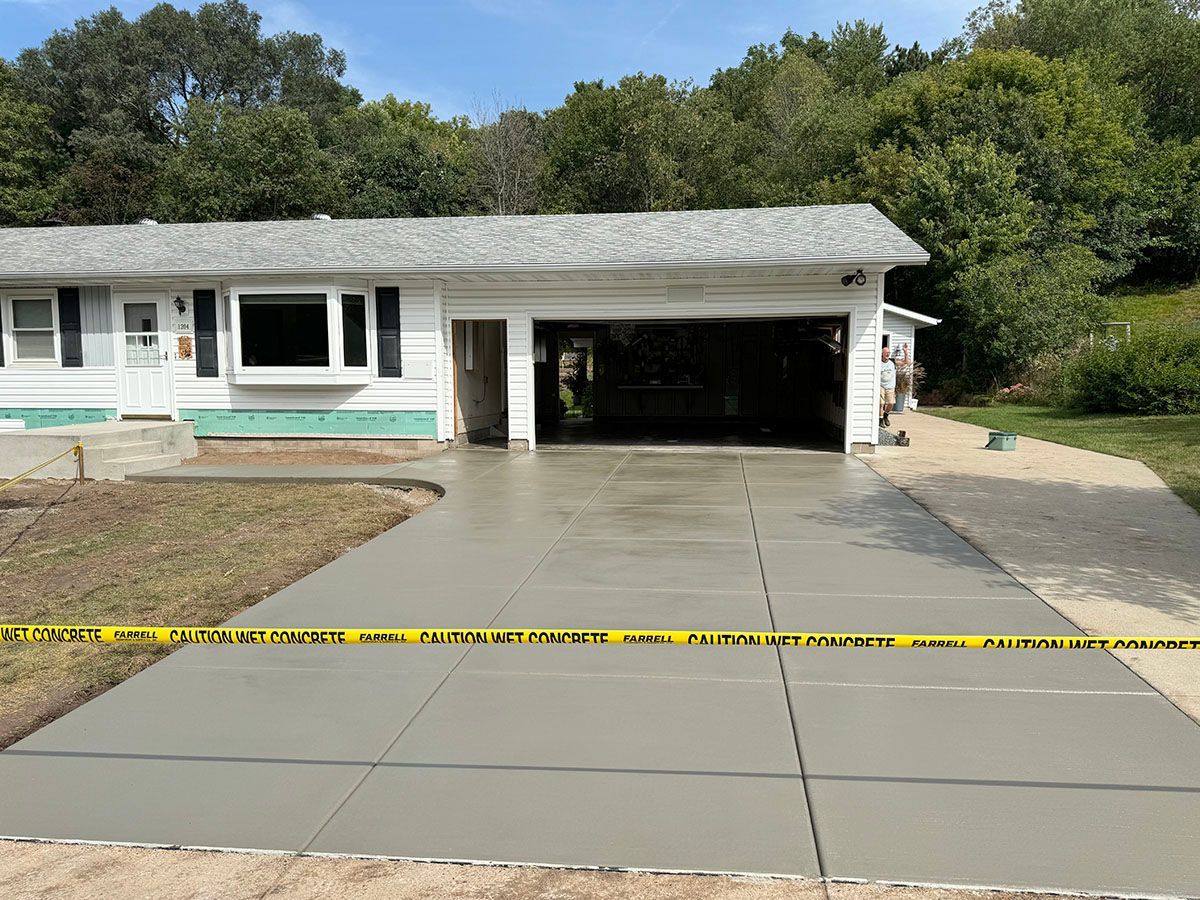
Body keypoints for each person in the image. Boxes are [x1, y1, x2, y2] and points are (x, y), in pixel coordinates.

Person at [879, 346, 896, 428]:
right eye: (886, 353)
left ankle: (886, 415)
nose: (888, 354)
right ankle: (881, 420)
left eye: (889, 353)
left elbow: (907, 362)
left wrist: (906, 352)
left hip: (890, 386)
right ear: (882, 353)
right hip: (881, 385)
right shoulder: (878, 363)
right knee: (881, 403)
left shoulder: (892, 362)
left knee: (891, 403)